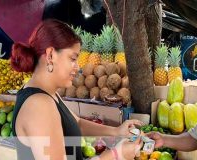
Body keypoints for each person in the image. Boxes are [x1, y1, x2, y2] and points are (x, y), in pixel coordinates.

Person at [10, 19, 142, 160]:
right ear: (50, 55)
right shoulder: (39, 104)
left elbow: (76, 124)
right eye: (73, 59)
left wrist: (116, 131)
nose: (77, 67)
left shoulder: (47, 94)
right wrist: (116, 155)